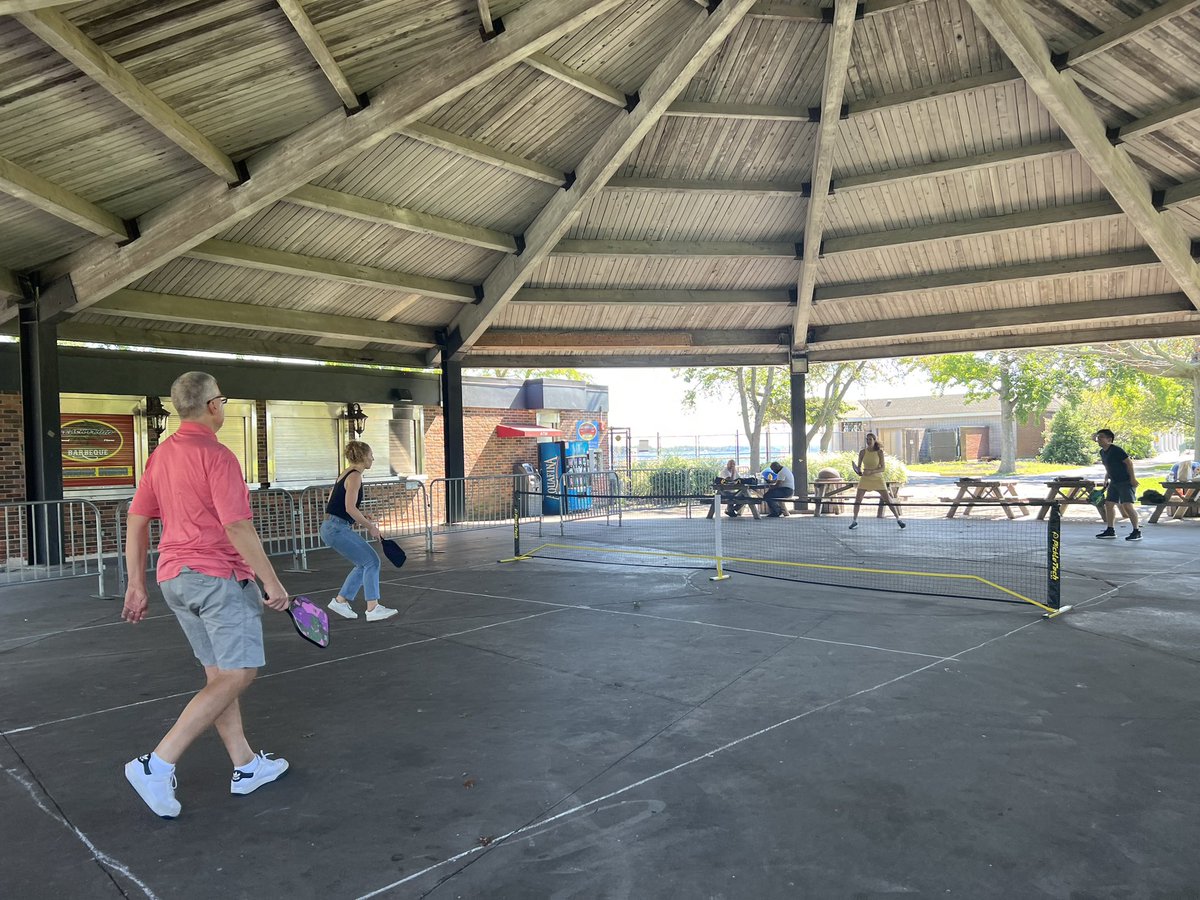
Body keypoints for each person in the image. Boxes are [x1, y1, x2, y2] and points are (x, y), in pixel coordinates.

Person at [122, 372, 290, 819]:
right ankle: (156, 763)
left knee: (220, 678)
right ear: (214, 405)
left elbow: (137, 520)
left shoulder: (160, 456)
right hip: (216, 577)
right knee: (240, 673)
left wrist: (135, 582)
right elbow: (237, 525)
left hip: (174, 579)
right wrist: (271, 581)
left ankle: (246, 765)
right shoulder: (218, 456)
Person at [321, 441, 398, 621]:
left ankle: (341, 601)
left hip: (331, 526)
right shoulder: (355, 476)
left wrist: (359, 516)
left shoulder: (345, 473)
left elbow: (333, 502)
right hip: (336, 528)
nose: (373, 458)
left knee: (363, 563)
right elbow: (349, 507)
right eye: (371, 455)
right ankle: (372, 608)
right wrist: (370, 527)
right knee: (372, 561)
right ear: (363, 457)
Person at [1093, 429, 1142, 541]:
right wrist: (1106, 477)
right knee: (1109, 504)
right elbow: (1108, 466)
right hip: (1114, 482)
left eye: (1101, 437)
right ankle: (1110, 530)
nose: (1098, 439)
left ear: (1109, 439)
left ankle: (1136, 531)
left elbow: (1129, 463)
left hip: (1125, 481)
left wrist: (1133, 479)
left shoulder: (1116, 450)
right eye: (1097, 437)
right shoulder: (1102, 452)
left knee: (1127, 506)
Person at [849, 432, 904, 529]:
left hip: (878, 478)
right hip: (865, 478)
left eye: (870, 439)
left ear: (874, 440)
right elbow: (859, 467)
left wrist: (872, 471)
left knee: (888, 499)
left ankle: (898, 519)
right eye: (867, 439)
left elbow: (882, 468)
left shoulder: (879, 452)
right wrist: (859, 471)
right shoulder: (862, 452)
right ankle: (855, 521)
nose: (868, 441)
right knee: (857, 500)